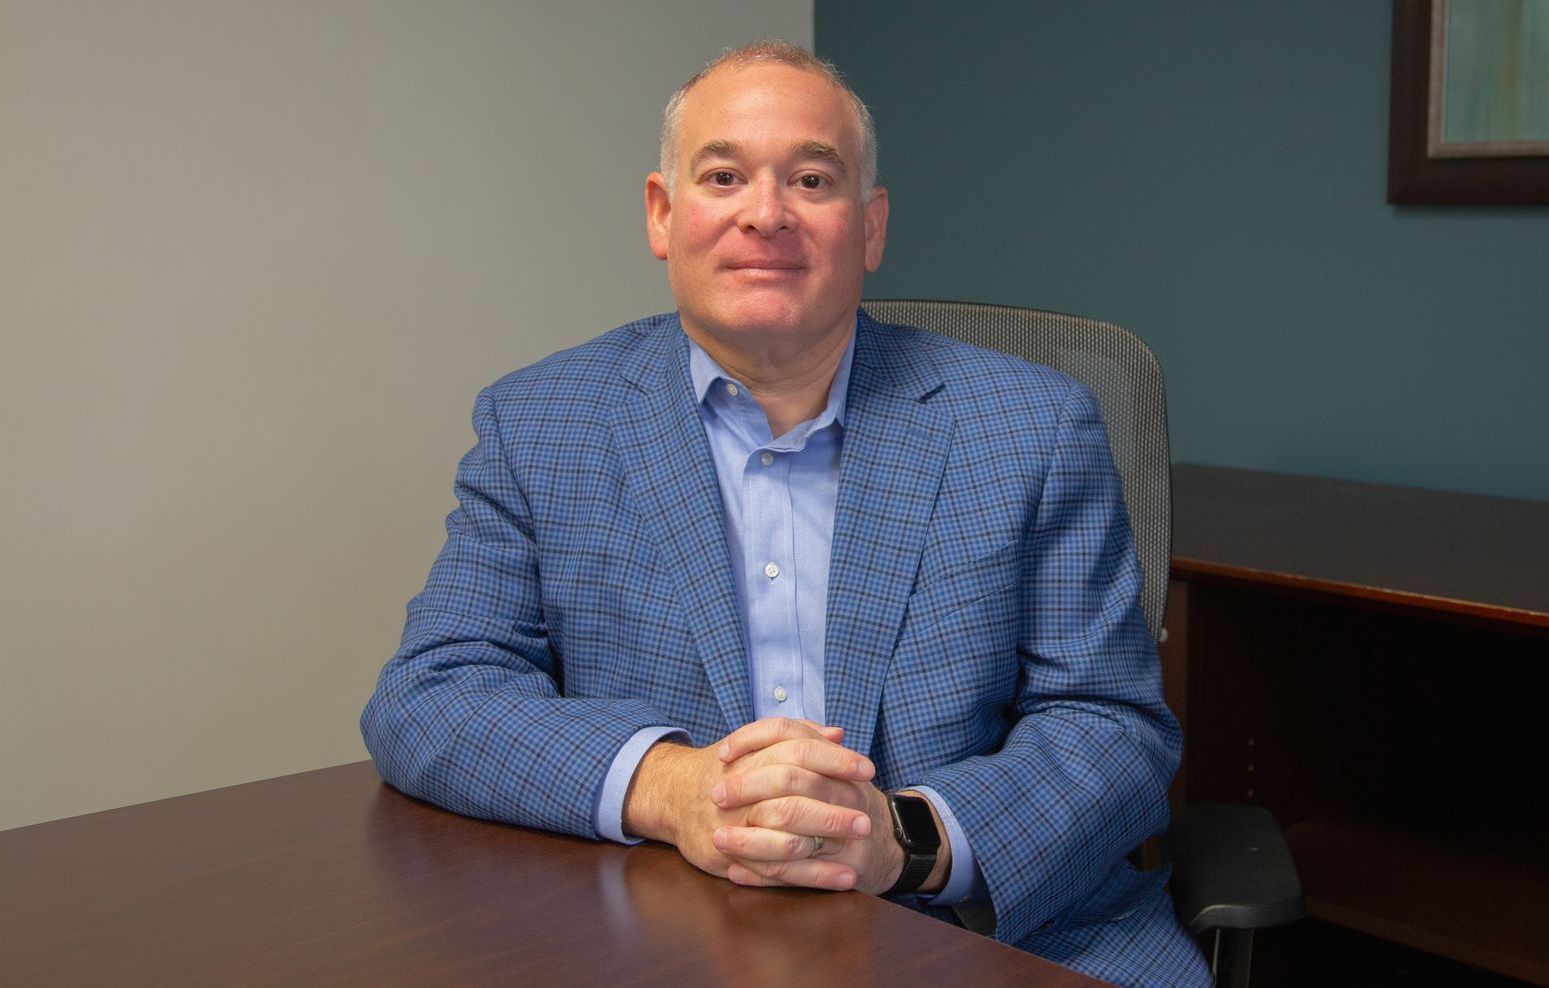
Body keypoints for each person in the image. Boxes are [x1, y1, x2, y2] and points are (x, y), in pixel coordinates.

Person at [361, 40, 1209, 987]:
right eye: (723, 176)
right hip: (667, 933)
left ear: (870, 227)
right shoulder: (540, 422)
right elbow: (431, 693)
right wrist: (672, 787)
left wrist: (901, 838)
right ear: (663, 214)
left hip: (991, 939)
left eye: (811, 179)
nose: (765, 214)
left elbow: (1110, 729)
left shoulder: (1032, 427)